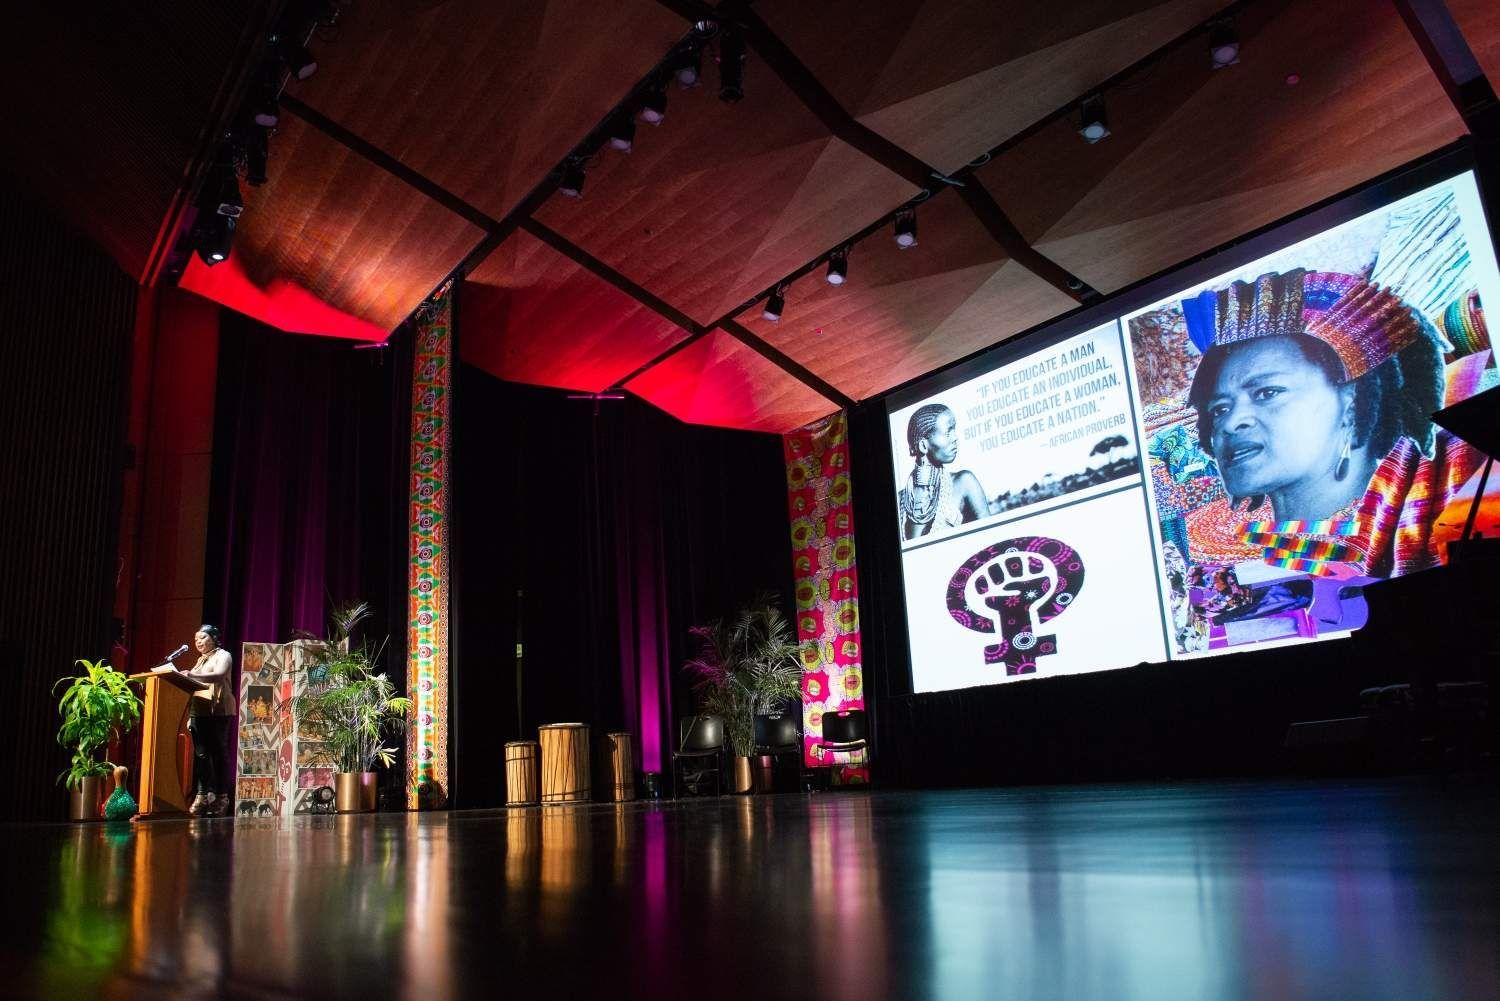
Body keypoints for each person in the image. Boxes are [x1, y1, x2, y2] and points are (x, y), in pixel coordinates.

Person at [1181, 268, 1484, 576]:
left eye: (1267, 392)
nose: (1231, 422)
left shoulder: (1456, 493)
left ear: (1352, 400)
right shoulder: (1215, 545)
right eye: (1219, 409)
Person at [158, 625, 238, 817]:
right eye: (196, 639)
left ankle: (221, 796)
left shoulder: (223, 655)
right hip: (199, 712)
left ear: (214, 638)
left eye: (202, 637)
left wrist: (190, 674)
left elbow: (218, 675)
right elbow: (193, 687)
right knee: (201, 755)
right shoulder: (200, 661)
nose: (198, 642)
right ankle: (202, 795)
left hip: (218, 710)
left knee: (218, 754)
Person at [897, 403, 995, 539]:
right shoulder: (900, 500)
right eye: (948, 432)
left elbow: (991, 539)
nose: (955, 438)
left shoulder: (964, 482)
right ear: (923, 445)